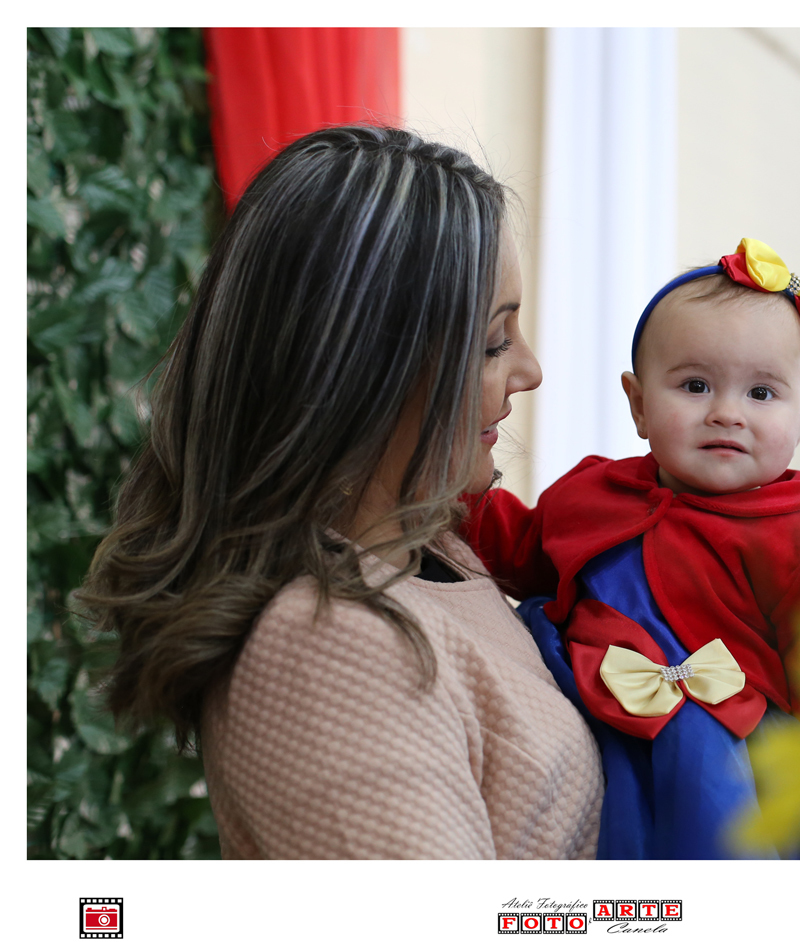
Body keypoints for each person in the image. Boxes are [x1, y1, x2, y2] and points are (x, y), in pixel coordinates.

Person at [78, 126, 603, 859]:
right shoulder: (325, 648)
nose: (530, 370)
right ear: (366, 369)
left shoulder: (438, 555)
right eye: (493, 342)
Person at [463, 238, 800, 860]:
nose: (726, 413)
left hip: (728, 775)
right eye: (694, 385)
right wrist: (445, 493)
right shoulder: (591, 490)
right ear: (638, 404)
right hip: (592, 744)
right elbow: (520, 553)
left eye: (761, 394)